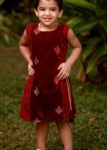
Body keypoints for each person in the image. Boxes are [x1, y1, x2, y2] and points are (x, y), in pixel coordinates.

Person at [19, 0, 82, 149]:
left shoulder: (65, 31)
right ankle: (41, 148)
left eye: (53, 9)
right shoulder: (30, 30)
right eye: (42, 9)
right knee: (41, 119)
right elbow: (22, 45)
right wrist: (29, 61)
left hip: (58, 81)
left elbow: (78, 47)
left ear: (60, 12)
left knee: (62, 119)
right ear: (36, 11)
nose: (47, 13)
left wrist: (69, 64)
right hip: (38, 82)